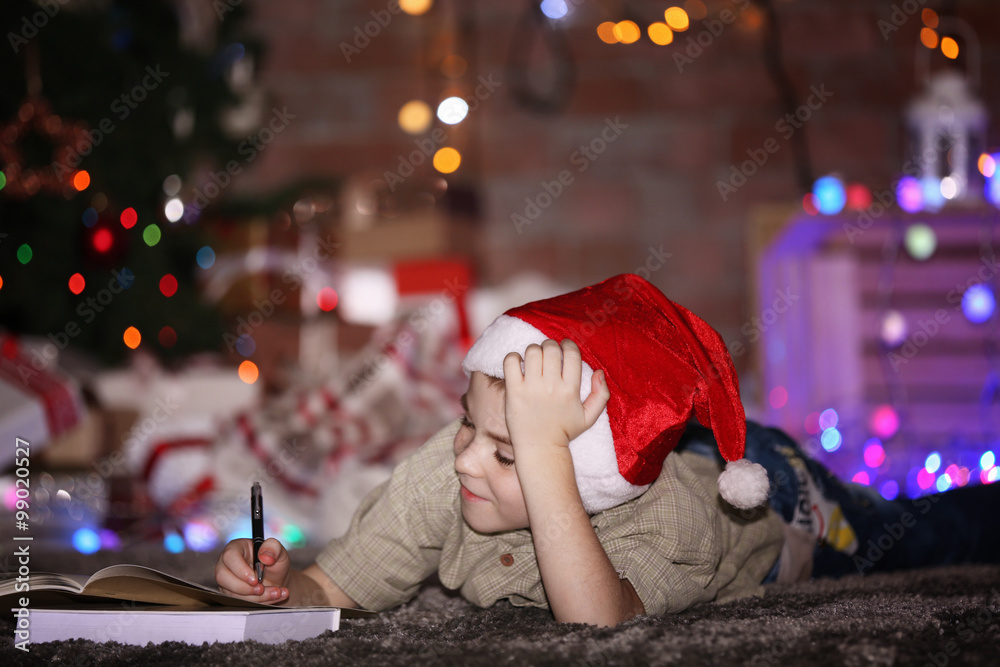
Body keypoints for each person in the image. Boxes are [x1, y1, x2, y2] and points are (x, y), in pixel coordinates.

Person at [214, 273, 1000, 626]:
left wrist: (543, 456)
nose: (463, 460)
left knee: (917, 534)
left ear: (574, 474)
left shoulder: (674, 520)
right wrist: (281, 589)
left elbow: (598, 620)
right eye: (467, 425)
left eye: (508, 451)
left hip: (776, 501)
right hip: (652, 452)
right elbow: (334, 585)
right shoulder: (451, 469)